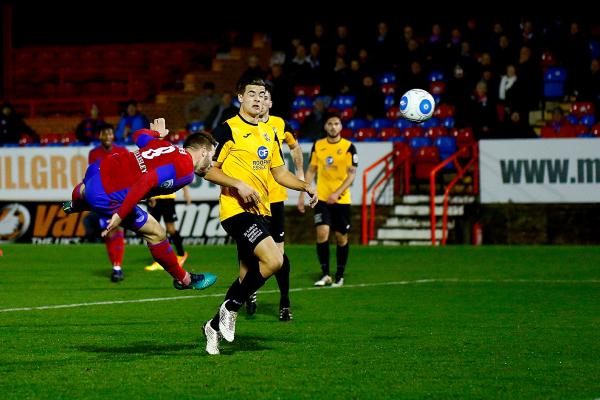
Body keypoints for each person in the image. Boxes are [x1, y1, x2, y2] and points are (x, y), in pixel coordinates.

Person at [201, 77, 318, 355]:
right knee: (275, 259)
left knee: (246, 276)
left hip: (261, 211)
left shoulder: (268, 133)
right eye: (251, 93)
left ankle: (213, 327)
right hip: (236, 210)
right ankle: (230, 308)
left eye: (262, 94)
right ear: (239, 97)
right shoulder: (228, 129)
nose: (257, 98)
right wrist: (238, 184)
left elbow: (279, 173)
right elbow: (207, 169)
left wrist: (304, 185)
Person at [62, 118, 217, 291]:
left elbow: (138, 135)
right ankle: (185, 280)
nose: (211, 163)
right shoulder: (186, 170)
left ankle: (76, 202)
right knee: (156, 233)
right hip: (106, 197)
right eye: (212, 157)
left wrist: (156, 134)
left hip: (98, 171)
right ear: (203, 151)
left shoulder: (166, 146)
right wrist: (121, 214)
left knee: (87, 190)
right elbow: (148, 179)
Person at [244, 83, 305, 321]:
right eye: (256, 96)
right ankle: (249, 292)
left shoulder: (280, 125)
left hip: (275, 198)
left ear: (270, 103)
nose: (260, 100)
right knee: (249, 251)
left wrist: (300, 174)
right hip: (251, 199)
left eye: (265, 97)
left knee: (279, 254)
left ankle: (284, 300)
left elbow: (295, 147)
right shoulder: (241, 126)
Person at [300, 113, 358, 287]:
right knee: (322, 233)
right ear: (325, 126)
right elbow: (311, 170)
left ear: (341, 126)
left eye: (336, 123)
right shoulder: (318, 145)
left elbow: (351, 175)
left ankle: (340, 274)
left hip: (341, 200)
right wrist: (303, 192)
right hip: (322, 199)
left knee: (341, 237)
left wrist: (337, 193)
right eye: (330, 123)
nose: (333, 127)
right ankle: (325, 274)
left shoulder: (349, 147)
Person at [87, 124, 129, 281]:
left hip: (119, 196)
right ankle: (115, 265)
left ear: (113, 136)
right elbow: (93, 175)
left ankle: (117, 267)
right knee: (108, 232)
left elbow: (129, 172)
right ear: (100, 136)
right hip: (102, 198)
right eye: (104, 134)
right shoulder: (93, 154)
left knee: (117, 229)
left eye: (110, 133)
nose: (107, 136)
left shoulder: (123, 151)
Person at [143, 186, 192, 272]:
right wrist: (149, 196)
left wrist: (186, 193)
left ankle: (181, 254)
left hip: (167, 198)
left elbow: (181, 175)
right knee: (153, 230)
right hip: (154, 198)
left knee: (170, 229)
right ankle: (159, 261)